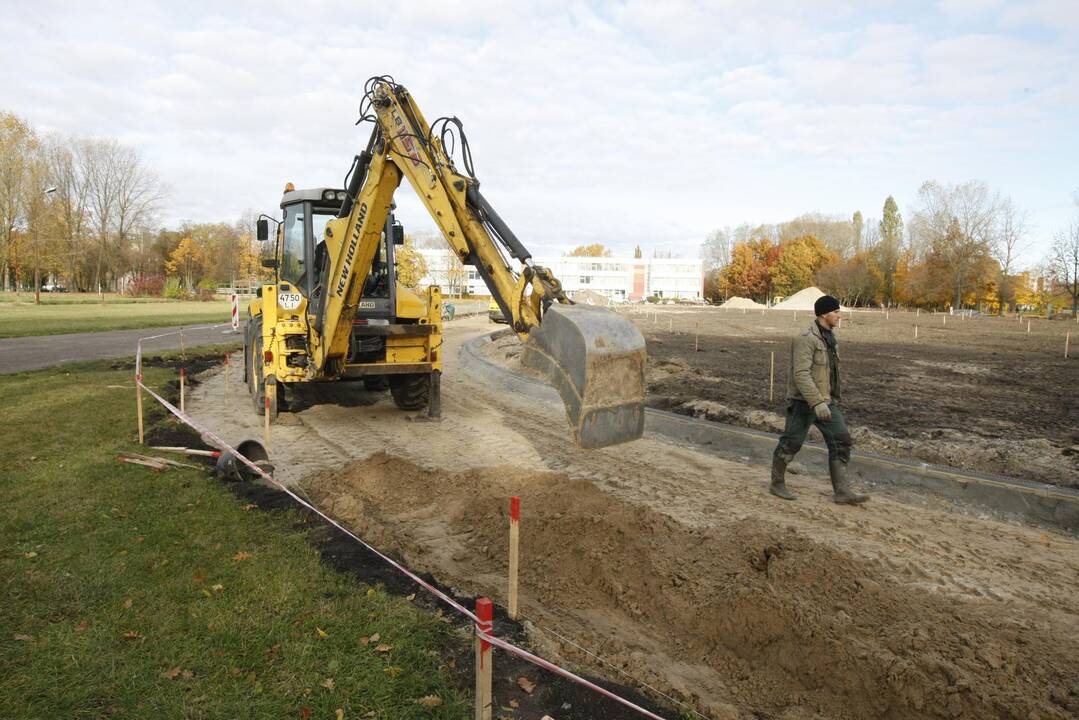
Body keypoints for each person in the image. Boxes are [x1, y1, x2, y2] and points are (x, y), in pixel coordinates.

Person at [770, 294, 869, 504]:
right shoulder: (805, 338)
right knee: (791, 444)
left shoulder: (830, 338)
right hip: (804, 403)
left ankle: (842, 491)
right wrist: (816, 402)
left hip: (827, 401)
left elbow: (831, 373)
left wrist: (829, 400)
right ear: (824, 314)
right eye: (836, 312)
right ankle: (776, 483)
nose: (839, 316)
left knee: (842, 441)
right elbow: (801, 374)